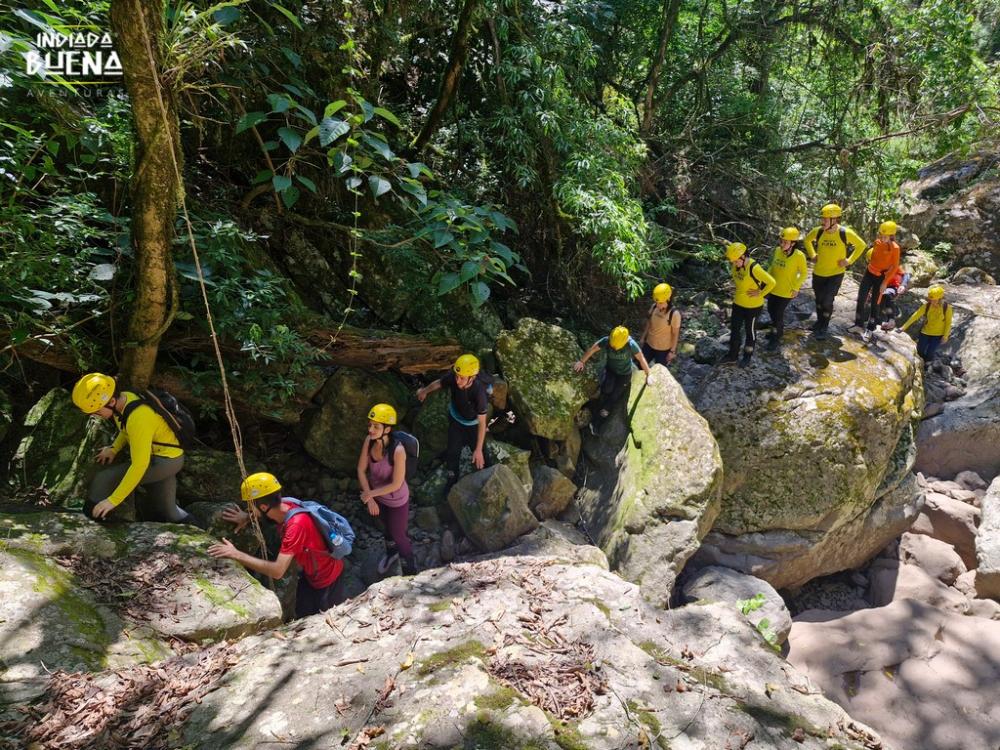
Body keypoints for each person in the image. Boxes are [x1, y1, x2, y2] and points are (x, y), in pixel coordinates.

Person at [209, 472, 347, 619]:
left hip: (326, 580)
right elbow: (266, 515)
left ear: (263, 507)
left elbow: (277, 571)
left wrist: (236, 554)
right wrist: (247, 517)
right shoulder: (286, 504)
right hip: (312, 573)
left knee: (324, 619)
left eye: (250, 507)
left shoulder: (296, 526)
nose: (249, 510)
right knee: (301, 613)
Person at [71, 372, 197, 526]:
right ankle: (199, 529)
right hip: (169, 457)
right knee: (169, 511)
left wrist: (112, 501)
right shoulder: (125, 399)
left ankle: (88, 522)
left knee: (105, 479)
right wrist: (114, 448)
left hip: (165, 462)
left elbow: (139, 465)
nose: (96, 415)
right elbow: (126, 429)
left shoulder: (139, 417)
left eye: (97, 411)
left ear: (111, 401)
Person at [357, 403, 416, 576]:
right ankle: (391, 554)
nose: (371, 430)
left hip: (397, 500)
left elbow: (396, 484)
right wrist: (371, 499)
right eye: (370, 425)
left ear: (387, 429)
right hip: (378, 497)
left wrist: (369, 494)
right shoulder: (369, 441)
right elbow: (360, 469)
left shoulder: (398, 451)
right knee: (387, 528)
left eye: (376, 426)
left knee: (399, 535)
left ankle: (410, 572)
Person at [416, 354, 488, 490]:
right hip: (456, 420)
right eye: (457, 376)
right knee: (452, 453)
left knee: (482, 457)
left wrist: (478, 450)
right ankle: (451, 482)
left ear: (472, 378)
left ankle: (487, 480)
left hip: (473, 424)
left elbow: (482, 422)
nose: (458, 381)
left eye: (462, 378)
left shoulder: (479, 392)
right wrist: (424, 391)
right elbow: (439, 383)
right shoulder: (454, 377)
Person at [803, 203, 867, 338]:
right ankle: (819, 323)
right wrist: (812, 255)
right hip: (818, 273)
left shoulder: (844, 233)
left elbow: (861, 245)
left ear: (834, 220)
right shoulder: (818, 231)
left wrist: (849, 261)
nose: (823, 222)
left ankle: (824, 327)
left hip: (835, 274)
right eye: (822, 219)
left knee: (827, 301)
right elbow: (807, 240)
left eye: (825, 219)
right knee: (819, 300)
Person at [574, 326, 651, 429]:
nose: (614, 347)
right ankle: (595, 406)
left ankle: (598, 422)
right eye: (613, 345)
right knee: (606, 389)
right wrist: (581, 361)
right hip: (611, 370)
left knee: (614, 397)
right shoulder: (607, 341)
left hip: (624, 375)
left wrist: (648, 374)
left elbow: (641, 359)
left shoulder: (631, 345)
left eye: (616, 346)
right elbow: (592, 349)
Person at [721, 242, 776, 366]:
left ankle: (747, 356)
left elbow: (772, 282)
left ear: (743, 256)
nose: (734, 264)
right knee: (735, 329)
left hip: (753, 307)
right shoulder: (736, 265)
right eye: (733, 261)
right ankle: (733, 355)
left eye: (736, 261)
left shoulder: (754, 268)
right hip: (738, 304)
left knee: (750, 331)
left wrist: (760, 293)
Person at [855, 220, 900, 342]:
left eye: (886, 236)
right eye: (881, 235)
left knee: (876, 303)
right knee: (861, 298)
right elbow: (874, 258)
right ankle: (858, 325)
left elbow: (895, 267)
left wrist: (885, 282)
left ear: (892, 235)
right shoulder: (877, 242)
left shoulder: (895, 248)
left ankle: (870, 329)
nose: (883, 238)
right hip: (869, 273)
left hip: (881, 277)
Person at [765, 227, 808, 350]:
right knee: (771, 310)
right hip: (773, 288)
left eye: (785, 242)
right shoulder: (777, 250)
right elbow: (771, 267)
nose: (782, 244)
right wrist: (765, 279)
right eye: (781, 241)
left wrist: (796, 287)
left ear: (793, 243)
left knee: (777, 314)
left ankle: (776, 338)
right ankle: (775, 331)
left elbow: (804, 273)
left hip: (786, 291)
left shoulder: (799, 256)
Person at [900, 285, 952, 364]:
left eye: (934, 300)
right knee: (920, 351)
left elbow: (948, 323)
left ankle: (926, 366)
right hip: (925, 332)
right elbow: (915, 316)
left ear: (940, 299)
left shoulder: (947, 308)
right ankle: (919, 364)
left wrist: (945, 336)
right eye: (930, 300)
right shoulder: (927, 306)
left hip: (938, 335)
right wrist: (904, 327)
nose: (932, 302)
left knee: (930, 353)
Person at [639, 283, 681, 367]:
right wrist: (643, 338)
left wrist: (672, 352)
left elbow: (675, 334)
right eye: (656, 302)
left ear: (668, 300)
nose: (658, 305)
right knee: (640, 367)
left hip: (663, 350)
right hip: (649, 345)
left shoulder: (674, 314)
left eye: (661, 303)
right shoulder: (654, 307)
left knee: (660, 372)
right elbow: (649, 323)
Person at [879, 265, 911, 331]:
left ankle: (891, 320)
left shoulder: (892, 265)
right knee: (883, 298)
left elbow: (906, 275)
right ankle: (887, 320)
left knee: (886, 295)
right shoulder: (878, 268)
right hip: (883, 287)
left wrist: (903, 285)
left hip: (893, 287)